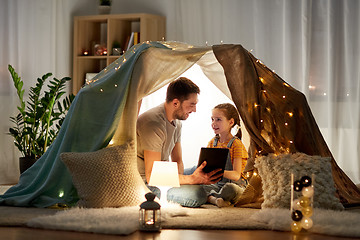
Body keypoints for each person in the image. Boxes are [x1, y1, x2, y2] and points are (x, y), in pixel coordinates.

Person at [136, 77, 223, 207]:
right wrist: (192, 180)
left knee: (203, 170)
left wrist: (189, 179)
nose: (194, 110)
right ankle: (211, 194)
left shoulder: (176, 122)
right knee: (196, 194)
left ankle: (213, 192)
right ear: (176, 103)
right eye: (192, 104)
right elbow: (152, 176)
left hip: (165, 174)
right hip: (149, 183)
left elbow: (177, 161)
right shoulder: (153, 123)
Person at [204, 103, 248, 207]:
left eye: (218, 119)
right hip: (217, 184)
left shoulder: (236, 144)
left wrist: (218, 171)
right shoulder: (212, 143)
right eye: (212, 119)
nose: (214, 123)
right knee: (198, 189)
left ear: (231, 122)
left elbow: (236, 175)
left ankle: (215, 198)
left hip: (235, 183)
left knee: (230, 189)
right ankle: (217, 200)